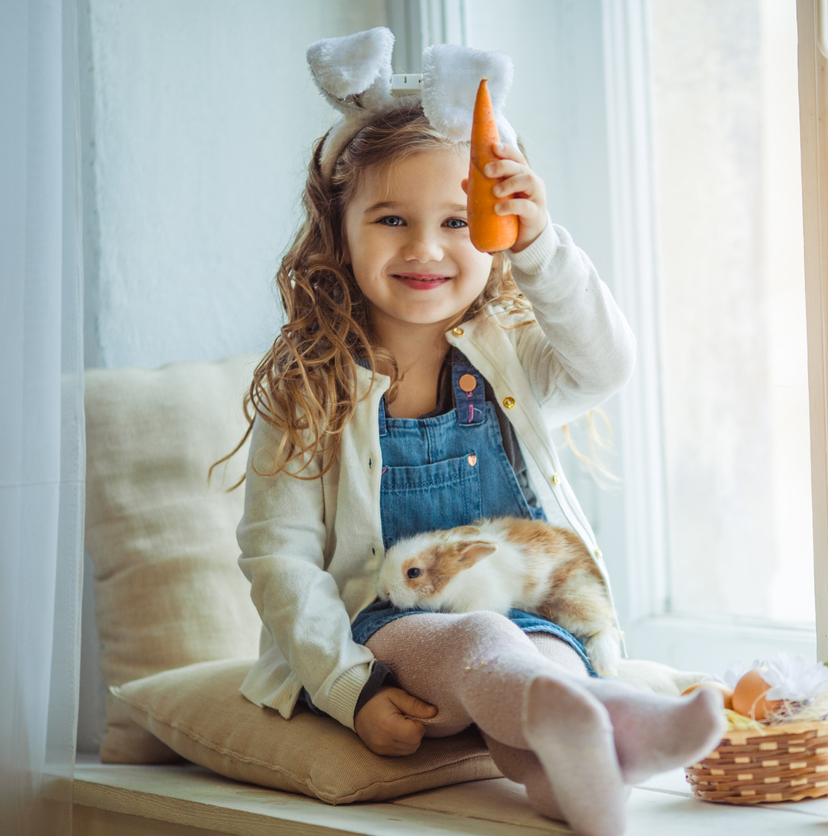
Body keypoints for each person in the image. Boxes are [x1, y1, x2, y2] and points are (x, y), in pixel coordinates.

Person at [220, 58, 724, 836]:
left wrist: (543, 245)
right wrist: (349, 688)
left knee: (543, 684)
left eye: (458, 221)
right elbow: (278, 561)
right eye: (391, 219)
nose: (426, 248)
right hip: (388, 634)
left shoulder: (513, 354)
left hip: (529, 628)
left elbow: (607, 363)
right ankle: (609, 713)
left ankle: (591, 779)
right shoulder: (308, 387)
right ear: (338, 230)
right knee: (484, 640)